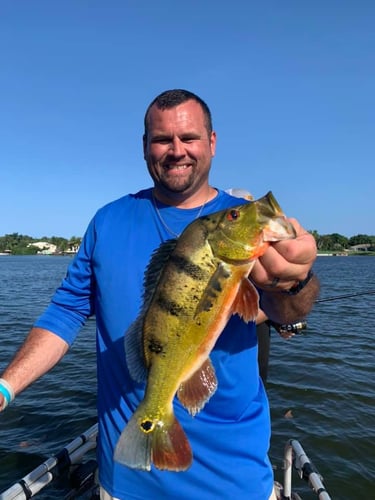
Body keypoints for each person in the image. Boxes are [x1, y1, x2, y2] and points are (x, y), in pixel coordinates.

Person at [0, 89, 319, 500]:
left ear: (212, 142)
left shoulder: (243, 231)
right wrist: (5, 387)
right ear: (145, 146)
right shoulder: (107, 221)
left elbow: (285, 311)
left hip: (235, 482)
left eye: (189, 138)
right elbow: (65, 312)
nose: (176, 150)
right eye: (162, 139)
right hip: (128, 482)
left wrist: (292, 283)